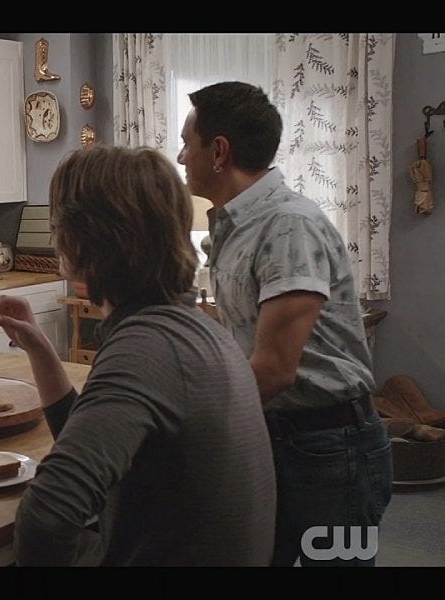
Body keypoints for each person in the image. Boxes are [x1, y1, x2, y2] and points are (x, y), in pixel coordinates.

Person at [0, 146, 276, 566]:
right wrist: (41, 349)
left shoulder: (145, 349)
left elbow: (45, 518)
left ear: (80, 239)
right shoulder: (191, 328)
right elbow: (89, 439)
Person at [178, 81, 391, 566]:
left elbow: (273, 369)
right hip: (279, 436)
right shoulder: (238, 226)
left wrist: (193, 429)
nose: (180, 155)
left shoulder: (287, 225)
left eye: (188, 143)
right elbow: (246, 332)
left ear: (219, 152)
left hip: (330, 450)